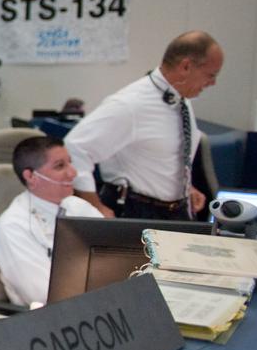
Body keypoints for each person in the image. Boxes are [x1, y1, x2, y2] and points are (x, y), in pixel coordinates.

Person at [65, 31, 224, 221]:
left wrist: (183, 186)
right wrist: (93, 206)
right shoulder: (130, 105)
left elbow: (163, 154)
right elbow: (75, 147)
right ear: (186, 66)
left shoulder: (180, 99)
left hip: (175, 211)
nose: (213, 83)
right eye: (210, 75)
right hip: (137, 212)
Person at [0, 136, 104, 309]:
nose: (73, 173)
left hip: (99, 303)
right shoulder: (13, 227)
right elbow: (44, 294)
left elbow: (114, 255)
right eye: (60, 166)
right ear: (31, 176)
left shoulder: (77, 206)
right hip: (56, 320)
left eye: (70, 163)